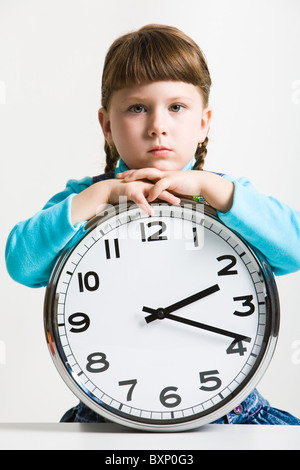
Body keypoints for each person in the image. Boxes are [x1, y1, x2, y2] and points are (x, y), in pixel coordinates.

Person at [5, 24, 300, 425]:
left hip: (229, 418)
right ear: (106, 125)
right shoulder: (86, 199)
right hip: (110, 414)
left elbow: (293, 249)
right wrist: (90, 201)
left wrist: (213, 190)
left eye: (176, 107)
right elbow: (22, 265)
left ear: (204, 123)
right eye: (137, 107)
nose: (158, 125)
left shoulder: (225, 196)